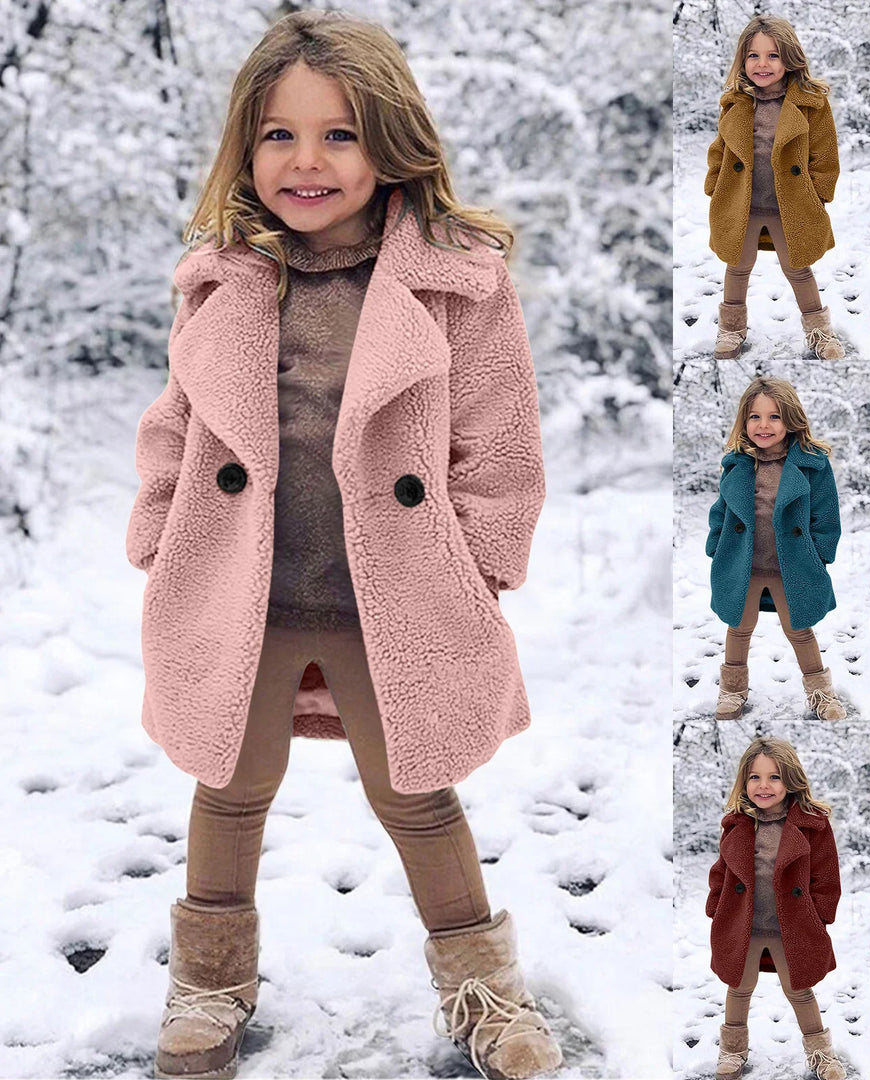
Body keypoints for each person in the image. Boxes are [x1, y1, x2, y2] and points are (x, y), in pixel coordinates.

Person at [125, 11, 560, 1079]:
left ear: (391, 142)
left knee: (415, 787)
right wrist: (157, 523)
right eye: (279, 136)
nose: (307, 162)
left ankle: (485, 989)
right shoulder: (220, 277)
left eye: (339, 135)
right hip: (246, 582)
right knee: (230, 780)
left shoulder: (456, 280)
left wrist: (483, 559)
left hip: (394, 593)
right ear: (246, 146)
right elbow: (178, 416)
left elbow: (497, 434)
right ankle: (212, 981)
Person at [705, 14, 844, 361]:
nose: (762, 64)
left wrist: (819, 192)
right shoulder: (735, 102)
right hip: (742, 201)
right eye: (754, 55)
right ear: (743, 60)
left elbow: (824, 152)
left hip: (790, 204)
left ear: (789, 59)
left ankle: (819, 331)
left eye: (773, 55)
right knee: (737, 265)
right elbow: (720, 148)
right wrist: (714, 183)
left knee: (797, 266)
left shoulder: (810, 103)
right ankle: (732, 329)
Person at [706, 737, 846, 1079]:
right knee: (739, 986)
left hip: (792, 926)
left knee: (799, 989)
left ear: (791, 781)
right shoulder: (737, 823)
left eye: (774, 777)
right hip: (744, 923)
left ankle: (822, 1054)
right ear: (744, 781)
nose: (764, 786)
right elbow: (722, 870)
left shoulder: (812, 824)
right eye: (755, 777)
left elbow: (826, 873)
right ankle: (732, 1051)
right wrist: (716, 904)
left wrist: (820, 914)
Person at [706, 377, 845, 721]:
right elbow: (721, 510)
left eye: (774, 417)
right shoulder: (736, 463)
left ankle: (821, 693)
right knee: (739, 626)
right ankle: (733, 690)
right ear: (744, 421)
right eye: (755, 417)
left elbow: (826, 513)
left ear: (791, 420)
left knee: (799, 628)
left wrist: (819, 554)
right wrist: (716, 546)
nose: (764, 426)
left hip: (792, 565)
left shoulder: (812, 464)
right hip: (743, 563)